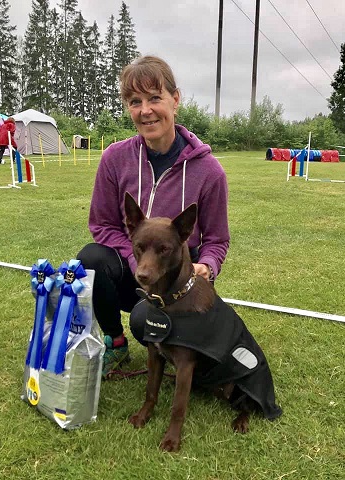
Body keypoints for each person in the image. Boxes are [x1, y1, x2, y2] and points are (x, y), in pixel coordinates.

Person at [77, 55, 230, 377]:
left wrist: (208, 266)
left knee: (142, 321)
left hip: (177, 281)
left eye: (154, 98)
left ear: (175, 100)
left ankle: (176, 343)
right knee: (91, 258)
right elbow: (102, 225)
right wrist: (139, 264)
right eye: (135, 101)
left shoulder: (209, 171)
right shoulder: (114, 158)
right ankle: (114, 343)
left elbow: (217, 240)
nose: (145, 110)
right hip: (134, 273)